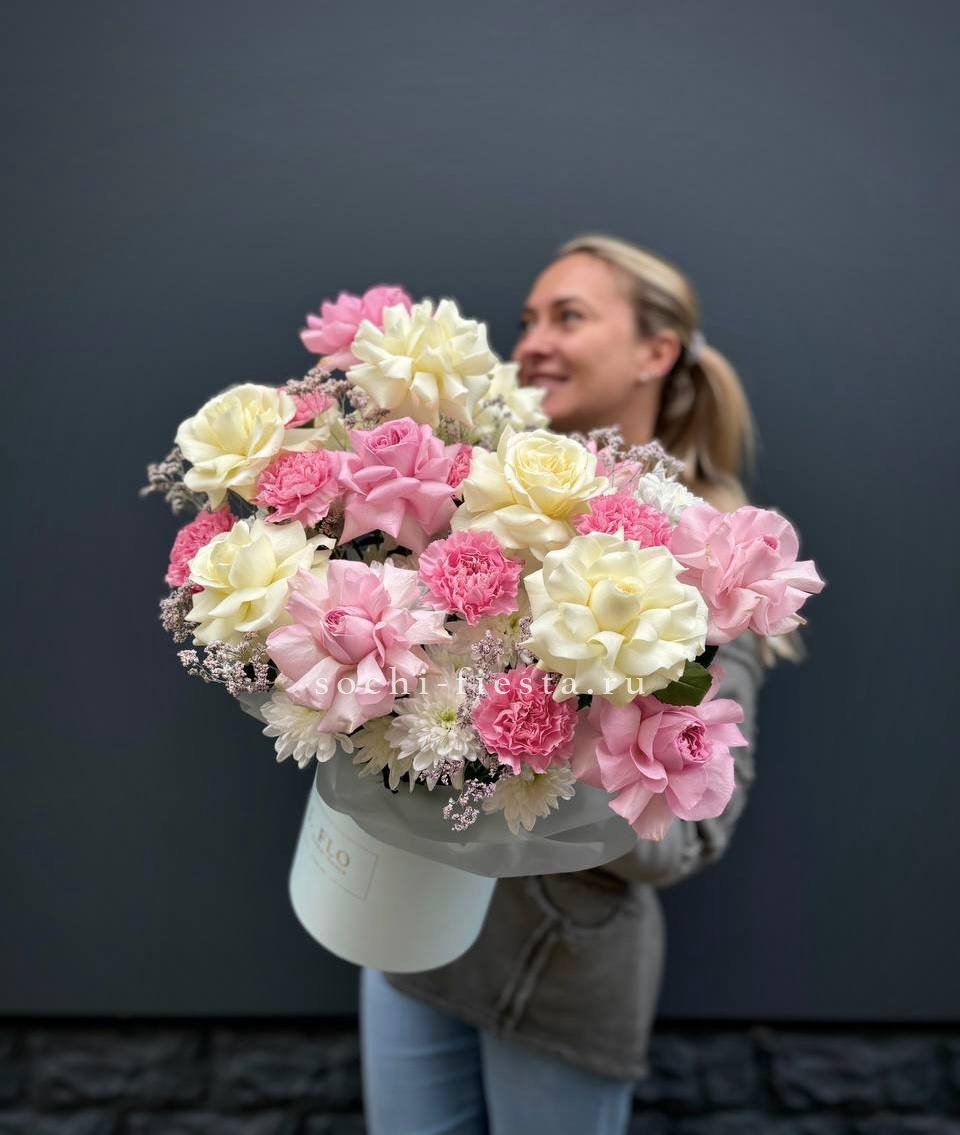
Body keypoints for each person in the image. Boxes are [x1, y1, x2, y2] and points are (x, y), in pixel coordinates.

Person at [361, 233, 778, 1134]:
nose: (533, 343)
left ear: (655, 352)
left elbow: (685, 840)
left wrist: (532, 744)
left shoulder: (720, 555)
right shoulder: (481, 494)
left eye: (568, 317)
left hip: (561, 975)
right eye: (527, 320)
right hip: (409, 934)